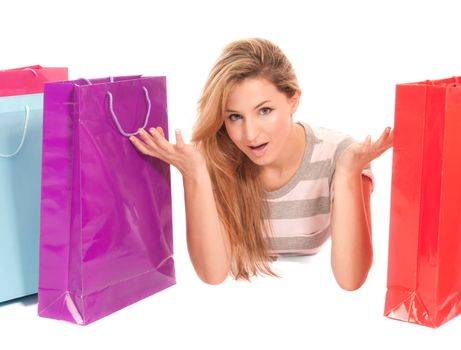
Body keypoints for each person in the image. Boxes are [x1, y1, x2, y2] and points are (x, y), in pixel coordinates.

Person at [129, 38, 393, 290]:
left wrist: (348, 173)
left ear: (293, 99)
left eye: (264, 111)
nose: (250, 134)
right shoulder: (214, 156)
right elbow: (212, 275)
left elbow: (351, 280)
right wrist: (194, 174)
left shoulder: (341, 155)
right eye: (234, 117)